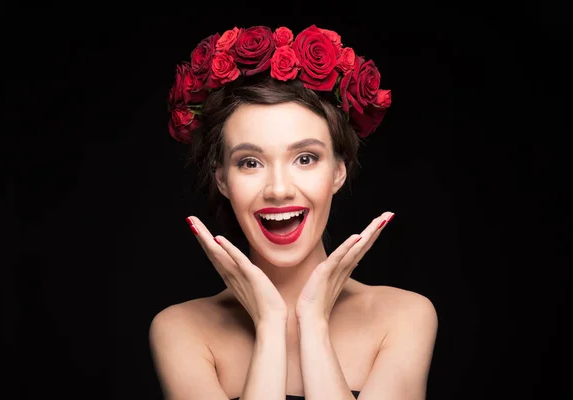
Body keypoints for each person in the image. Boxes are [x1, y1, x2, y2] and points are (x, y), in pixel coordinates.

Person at [149, 24, 438, 400]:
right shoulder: (181, 330)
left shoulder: (404, 317)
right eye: (250, 162)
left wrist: (313, 324)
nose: (279, 189)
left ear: (338, 171)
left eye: (305, 158)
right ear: (222, 180)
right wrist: (270, 325)